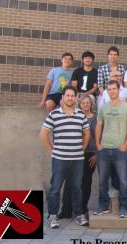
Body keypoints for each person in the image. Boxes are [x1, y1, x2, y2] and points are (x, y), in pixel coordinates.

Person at [39, 86, 90, 228]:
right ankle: (53, 216)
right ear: (63, 97)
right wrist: (52, 151)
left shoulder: (81, 114)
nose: (70, 98)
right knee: (55, 188)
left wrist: (83, 148)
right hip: (59, 158)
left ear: (75, 98)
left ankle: (79, 215)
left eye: (72, 96)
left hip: (77, 159)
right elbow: (43, 134)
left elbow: (87, 133)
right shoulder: (54, 114)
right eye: (67, 95)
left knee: (77, 188)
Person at [94, 80, 127, 218]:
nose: (112, 91)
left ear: (119, 90)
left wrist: (126, 144)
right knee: (102, 181)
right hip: (104, 149)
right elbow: (99, 126)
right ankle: (103, 205)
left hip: (120, 150)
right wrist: (98, 144)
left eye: (114, 88)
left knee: (123, 181)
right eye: (109, 89)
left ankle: (124, 207)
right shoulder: (103, 107)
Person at [56, 94, 99, 220]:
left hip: (90, 154)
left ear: (91, 104)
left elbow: (99, 137)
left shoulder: (96, 118)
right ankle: (66, 210)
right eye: (83, 103)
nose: (86, 104)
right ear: (79, 104)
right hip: (74, 153)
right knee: (70, 182)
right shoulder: (75, 116)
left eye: (88, 102)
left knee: (85, 182)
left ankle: (82, 208)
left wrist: (97, 154)